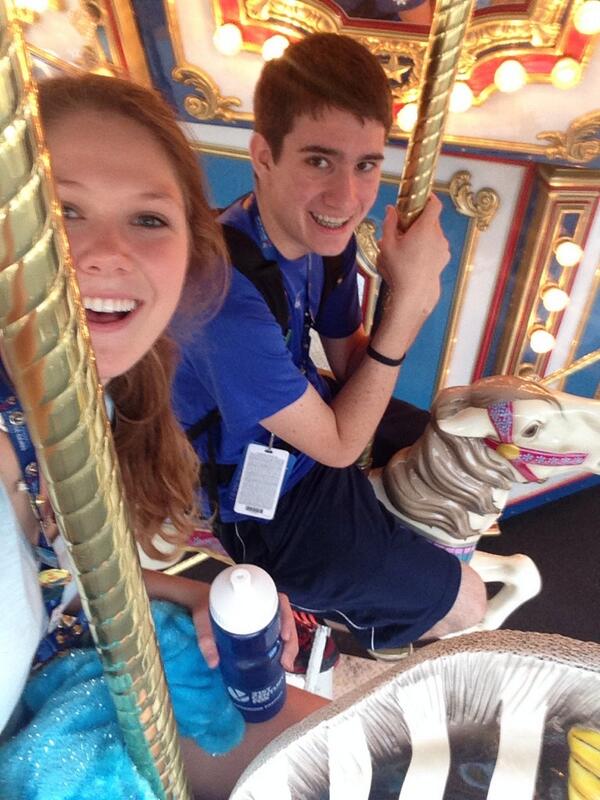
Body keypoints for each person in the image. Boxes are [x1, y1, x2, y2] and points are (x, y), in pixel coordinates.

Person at [0, 74, 325, 800]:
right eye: (61, 211)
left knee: (372, 748)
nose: (104, 251)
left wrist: (190, 593)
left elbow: (52, 577)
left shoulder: (90, 405)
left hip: (65, 670)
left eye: (148, 220)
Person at [173, 32, 487, 655]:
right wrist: (414, 299)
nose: (346, 199)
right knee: (468, 602)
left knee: (458, 445)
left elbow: (349, 359)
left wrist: (401, 296)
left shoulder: (324, 241)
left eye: (366, 164)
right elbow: (343, 445)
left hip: (308, 430)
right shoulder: (221, 297)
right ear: (263, 155)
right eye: (319, 160)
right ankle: (333, 617)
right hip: (258, 498)